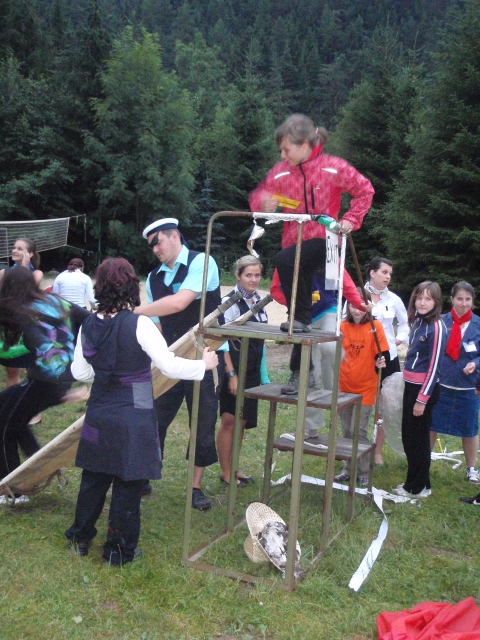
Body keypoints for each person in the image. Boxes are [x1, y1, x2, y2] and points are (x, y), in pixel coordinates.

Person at [65, 258, 218, 564]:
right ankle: (118, 551)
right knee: (128, 480)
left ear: (99, 286)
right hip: (133, 412)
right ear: (131, 286)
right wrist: (204, 365)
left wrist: (106, 372)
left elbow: (80, 372)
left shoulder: (88, 324)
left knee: (94, 475)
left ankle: (80, 539)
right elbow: (168, 365)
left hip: (99, 409)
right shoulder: (140, 323)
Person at [249, 113, 374, 339]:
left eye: (286, 150)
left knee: (285, 259)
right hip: (293, 241)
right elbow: (260, 195)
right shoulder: (281, 171)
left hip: (325, 238)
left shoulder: (333, 166)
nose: (282, 155)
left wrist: (351, 219)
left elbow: (365, 190)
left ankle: (300, 317)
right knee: (295, 267)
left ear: (304, 145)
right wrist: (263, 202)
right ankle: (302, 324)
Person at [134, 218, 226, 511]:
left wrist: (131, 311)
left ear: (174, 236)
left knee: (202, 423)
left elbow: (178, 303)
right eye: (151, 246)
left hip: (204, 358)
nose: (154, 249)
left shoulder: (202, 262)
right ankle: (144, 475)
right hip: (170, 360)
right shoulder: (153, 277)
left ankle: (195, 487)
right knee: (153, 419)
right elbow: (158, 325)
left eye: (157, 242)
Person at [0, 267, 89, 502]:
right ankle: (40, 465)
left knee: (5, 428)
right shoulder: (57, 301)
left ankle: (14, 492)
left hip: (44, 380)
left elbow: (18, 348)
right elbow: (90, 320)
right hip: (62, 378)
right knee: (9, 411)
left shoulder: (19, 309)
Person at [270, 267, 372, 429]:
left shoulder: (330, 257)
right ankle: (311, 427)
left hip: (327, 310)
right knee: (309, 371)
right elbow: (275, 290)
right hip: (302, 317)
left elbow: (347, 284)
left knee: (330, 347)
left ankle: (334, 394)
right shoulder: (287, 259)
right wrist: (296, 301)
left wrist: (359, 303)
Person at [217, 256, 267, 486]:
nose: (253, 279)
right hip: (234, 368)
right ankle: (225, 472)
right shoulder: (229, 303)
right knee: (230, 419)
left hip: (252, 369)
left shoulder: (259, 301)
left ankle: (234, 466)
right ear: (238, 275)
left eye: (257, 275)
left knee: (242, 420)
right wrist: (231, 375)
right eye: (248, 275)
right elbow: (221, 342)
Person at [393, 282, 447, 498]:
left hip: (424, 391)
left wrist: (422, 399)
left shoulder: (437, 327)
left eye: (428, 299)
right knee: (409, 437)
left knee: (419, 439)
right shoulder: (417, 322)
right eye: (419, 298)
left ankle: (417, 488)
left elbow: (434, 367)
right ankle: (417, 482)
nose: (422, 303)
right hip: (411, 386)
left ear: (436, 302)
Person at [333, 289, 389, 486]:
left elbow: (382, 354)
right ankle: (348, 468)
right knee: (347, 430)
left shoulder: (375, 327)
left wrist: (380, 362)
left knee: (359, 430)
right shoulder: (341, 326)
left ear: (368, 306)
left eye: (360, 306)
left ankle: (363, 470)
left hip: (365, 387)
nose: (357, 310)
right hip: (344, 386)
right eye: (353, 305)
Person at [429, 282, 480, 483]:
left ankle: (472, 468)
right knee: (431, 425)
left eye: (468, 299)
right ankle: (423, 461)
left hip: (468, 387)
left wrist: (476, 363)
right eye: (459, 299)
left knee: (470, 429)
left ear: (472, 301)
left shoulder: (478, 324)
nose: (463, 303)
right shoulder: (440, 321)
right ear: (452, 299)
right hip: (441, 384)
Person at [364, 257, 409, 465]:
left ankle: (377, 451)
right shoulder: (357, 295)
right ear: (372, 272)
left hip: (388, 357)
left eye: (390, 273)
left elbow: (406, 323)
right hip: (363, 357)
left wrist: (397, 340)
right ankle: (357, 446)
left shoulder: (394, 300)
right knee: (361, 401)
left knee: (384, 405)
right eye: (384, 272)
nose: (388, 277)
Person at [0, 238, 43, 389]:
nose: (14, 251)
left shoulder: (36, 273)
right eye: (14, 247)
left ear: (30, 254)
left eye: (19, 248)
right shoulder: (3, 272)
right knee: (12, 371)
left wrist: (23, 267)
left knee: (32, 371)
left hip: (29, 326)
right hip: (10, 326)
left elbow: (25, 293)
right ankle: (11, 400)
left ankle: (31, 400)